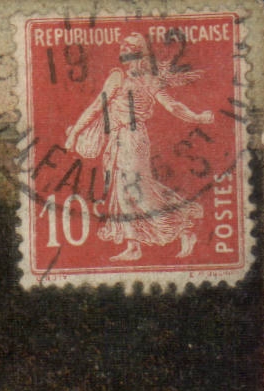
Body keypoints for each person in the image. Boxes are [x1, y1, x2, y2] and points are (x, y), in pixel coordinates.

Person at [63, 33, 215, 261]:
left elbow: (172, 106)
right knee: (122, 194)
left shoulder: (144, 79)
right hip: (118, 139)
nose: (123, 51)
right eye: (123, 47)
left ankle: (184, 229)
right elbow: (96, 107)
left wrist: (198, 117)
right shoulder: (119, 77)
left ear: (139, 53)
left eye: (128, 47)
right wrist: (75, 132)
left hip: (133, 139)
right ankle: (133, 246)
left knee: (140, 193)